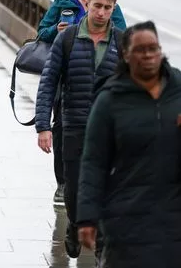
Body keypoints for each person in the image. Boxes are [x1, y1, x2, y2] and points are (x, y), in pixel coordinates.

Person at [77, 21, 181, 268]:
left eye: (153, 48)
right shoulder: (110, 100)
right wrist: (87, 218)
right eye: (140, 50)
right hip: (128, 217)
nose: (148, 55)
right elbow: (93, 162)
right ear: (125, 55)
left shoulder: (178, 89)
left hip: (174, 216)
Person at [36, 0, 123, 263]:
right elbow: (48, 81)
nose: (101, 12)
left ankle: (101, 247)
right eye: (97, 6)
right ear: (87, 4)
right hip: (72, 124)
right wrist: (43, 126)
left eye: (108, 8)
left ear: (113, 9)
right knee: (73, 190)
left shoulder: (122, 42)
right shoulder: (68, 38)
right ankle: (74, 224)